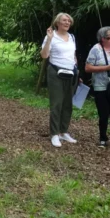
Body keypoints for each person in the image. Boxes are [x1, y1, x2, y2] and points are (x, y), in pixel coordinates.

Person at [41, 13, 80, 147]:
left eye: (69, 20)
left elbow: (73, 56)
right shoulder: (51, 36)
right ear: (57, 22)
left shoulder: (72, 37)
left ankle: (63, 131)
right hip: (56, 72)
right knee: (57, 104)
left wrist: (77, 71)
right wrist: (49, 39)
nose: (67, 22)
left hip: (70, 73)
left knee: (67, 104)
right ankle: (54, 134)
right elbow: (45, 55)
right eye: (64, 20)